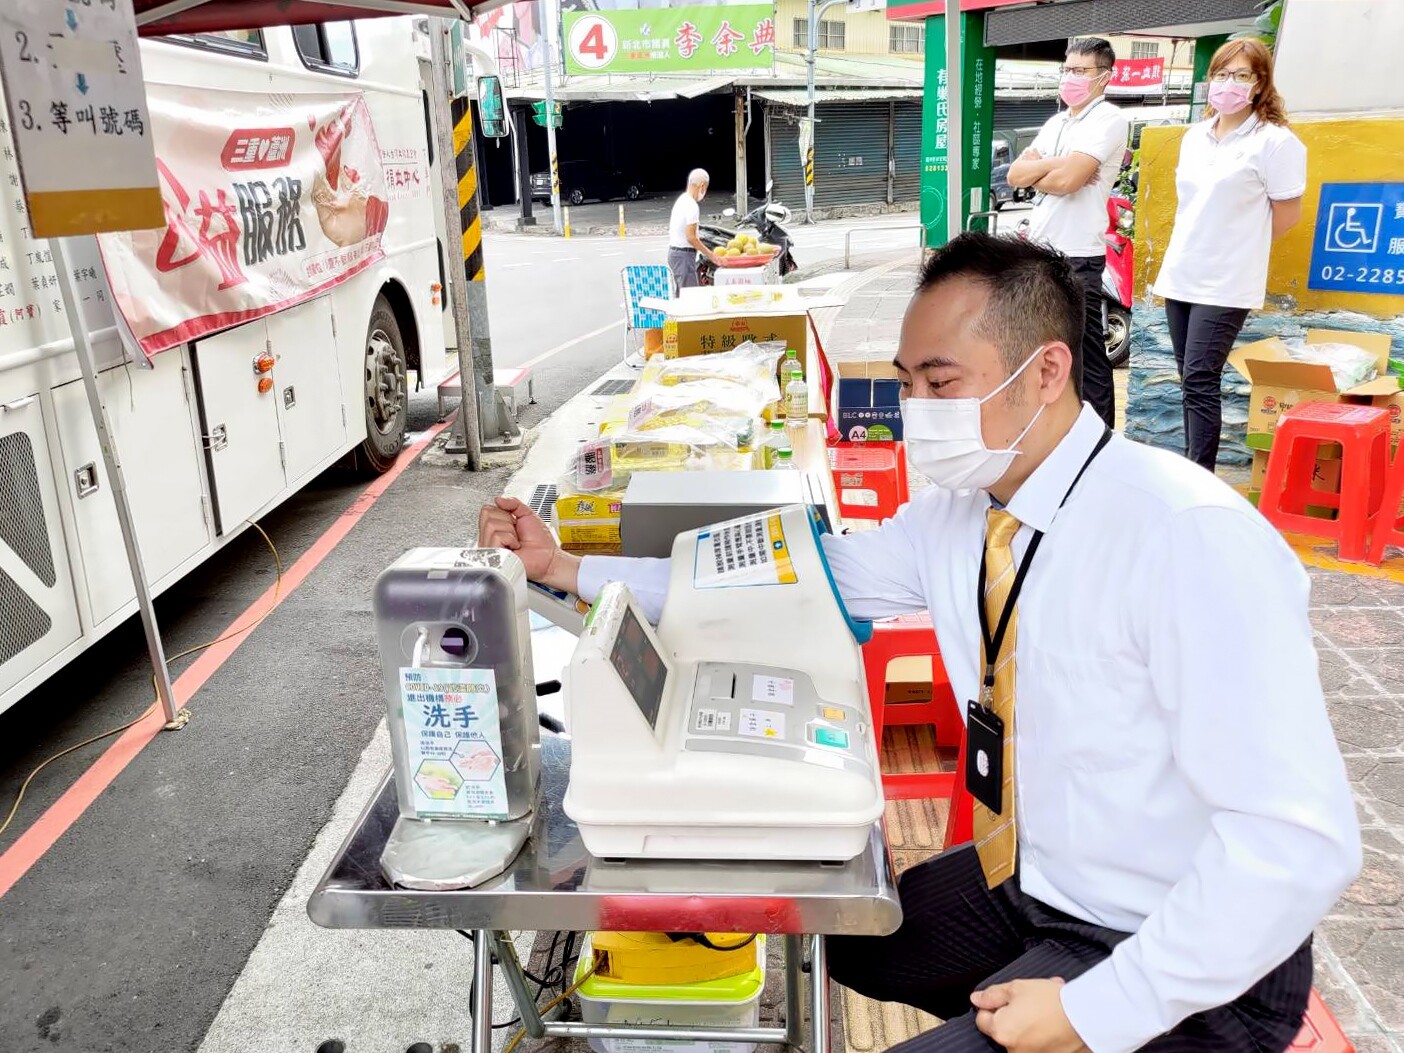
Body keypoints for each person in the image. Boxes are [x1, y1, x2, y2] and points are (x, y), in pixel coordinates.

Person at [479, 232, 1360, 1053]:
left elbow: (1296, 843)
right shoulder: (960, 511)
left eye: (941, 383)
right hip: (1036, 881)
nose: (913, 410)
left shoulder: (1188, 537)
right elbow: (792, 572)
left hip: (1181, 953)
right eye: (906, 382)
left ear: (1047, 371)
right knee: (845, 933)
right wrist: (568, 565)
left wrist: (1095, 1007)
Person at [1152, 40, 1306, 473]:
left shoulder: (1275, 143)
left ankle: (1197, 476)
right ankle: (1191, 469)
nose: (1229, 84)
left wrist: (1239, 246)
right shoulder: (1195, 137)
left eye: (1241, 76)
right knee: (1189, 381)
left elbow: (1286, 215)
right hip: (1182, 272)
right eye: (1221, 74)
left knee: (1201, 379)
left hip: (1227, 281)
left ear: (1259, 85)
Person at [1008, 37, 1129, 431]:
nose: (1071, 77)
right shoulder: (1057, 122)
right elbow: (1015, 176)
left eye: (1081, 71)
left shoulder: (1109, 119)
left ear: (1104, 77)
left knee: (1084, 352)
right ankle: (1056, 430)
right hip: (1042, 249)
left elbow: (1072, 181)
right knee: (1045, 349)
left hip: (1079, 253)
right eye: (1067, 69)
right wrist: (1061, 165)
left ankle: (1098, 436)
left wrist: (1050, 170)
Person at [667, 169, 719, 289]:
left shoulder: (682, 199)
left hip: (675, 255)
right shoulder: (692, 205)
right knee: (690, 297)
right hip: (683, 256)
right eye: (705, 188)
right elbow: (691, 237)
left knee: (682, 295)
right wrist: (711, 255)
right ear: (702, 186)